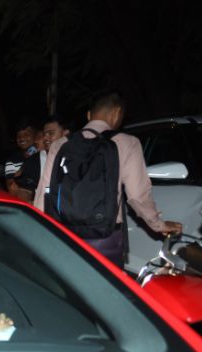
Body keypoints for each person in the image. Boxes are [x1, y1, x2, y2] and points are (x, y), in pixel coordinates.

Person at [34, 91, 182, 266]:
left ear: (89, 115)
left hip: (64, 235)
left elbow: (45, 192)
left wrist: (36, 233)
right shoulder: (128, 143)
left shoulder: (60, 144)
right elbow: (137, 196)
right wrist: (159, 225)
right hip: (105, 238)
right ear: (117, 113)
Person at [3, 119, 38, 193]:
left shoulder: (43, 155)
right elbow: (11, 187)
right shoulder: (12, 160)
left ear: (36, 136)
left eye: (26, 134)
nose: (22, 138)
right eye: (18, 135)